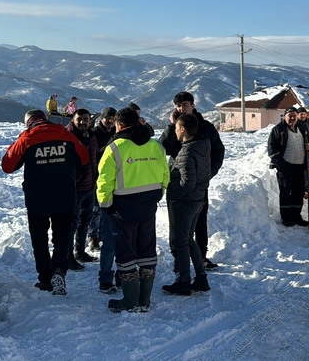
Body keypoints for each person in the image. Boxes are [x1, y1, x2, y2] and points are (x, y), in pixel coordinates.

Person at [1, 109, 89, 295]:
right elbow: (84, 157)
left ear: (29, 123)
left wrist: (16, 145)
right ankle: (59, 270)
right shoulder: (65, 134)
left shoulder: (27, 138)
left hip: (37, 200)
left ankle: (45, 279)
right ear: (45, 119)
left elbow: (7, 166)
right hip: (64, 197)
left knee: (39, 240)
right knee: (62, 238)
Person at [96, 107, 170, 313]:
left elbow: (104, 181)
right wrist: (157, 196)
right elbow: (165, 174)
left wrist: (106, 205)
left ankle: (130, 300)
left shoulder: (115, 148)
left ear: (119, 125)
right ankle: (144, 299)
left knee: (125, 252)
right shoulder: (156, 145)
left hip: (122, 209)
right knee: (147, 251)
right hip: (148, 207)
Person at [159, 91, 225, 271]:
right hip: (178, 182)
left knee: (199, 221)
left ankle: (201, 256)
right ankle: (178, 258)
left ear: (193, 106)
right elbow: (163, 148)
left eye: (185, 105)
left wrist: (207, 173)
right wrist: (171, 126)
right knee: (176, 223)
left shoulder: (206, 127)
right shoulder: (175, 127)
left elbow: (218, 152)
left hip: (199, 184)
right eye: (178, 106)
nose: (181, 109)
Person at [162, 113, 212, 296]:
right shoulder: (202, 145)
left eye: (176, 127)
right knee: (189, 239)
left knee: (180, 242)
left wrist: (172, 194)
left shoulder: (187, 152)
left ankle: (184, 281)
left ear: (182, 129)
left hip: (186, 201)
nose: (175, 131)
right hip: (198, 198)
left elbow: (187, 182)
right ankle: (201, 278)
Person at [64, 109, 98, 270]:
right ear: (73, 119)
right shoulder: (67, 137)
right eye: (80, 119)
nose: (83, 122)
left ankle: (80, 252)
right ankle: (68, 256)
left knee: (85, 222)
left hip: (90, 186)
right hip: (75, 189)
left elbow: (94, 159)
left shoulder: (91, 136)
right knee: (71, 223)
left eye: (86, 119)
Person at [267, 107, 309, 227]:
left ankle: (296, 216)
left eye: (294, 116)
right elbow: (272, 149)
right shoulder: (278, 130)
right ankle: (286, 218)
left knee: (299, 192)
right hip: (285, 167)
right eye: (289, 116)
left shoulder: (302, 128)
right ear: (285, 116)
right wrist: (282, 165)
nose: (292, 118)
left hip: (300, 167)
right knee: (286, 193)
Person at [88, 106, 117, 251]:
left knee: (111, 208)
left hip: (115, 176)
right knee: (96, 208)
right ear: (102, 119)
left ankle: (106, 234)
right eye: (107, 118)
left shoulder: (118, 133)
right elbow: (92, 156)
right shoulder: (94, 134)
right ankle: (93, 236)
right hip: (97, 176)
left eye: (113, 118)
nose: (110, 121)